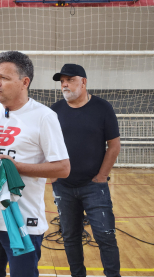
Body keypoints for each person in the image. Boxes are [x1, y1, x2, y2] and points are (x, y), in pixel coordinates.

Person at [0, 51, 70, 277]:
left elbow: (63, 168)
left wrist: (17, 166)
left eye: (4, 77)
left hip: (24, 223)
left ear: (24, 82)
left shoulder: (44, 116)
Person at [51, 64, 121, 277]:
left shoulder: (102, 108)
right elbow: (46, 145)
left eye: (70, 80)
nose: (65, 84)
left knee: (105, 235)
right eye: (62, 81)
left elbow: (114, 145)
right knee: (71, 237)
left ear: (84, 82)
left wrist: (101, 177)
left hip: (94, 186)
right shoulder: (54, 111)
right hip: (63, 187)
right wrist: (51, 174)